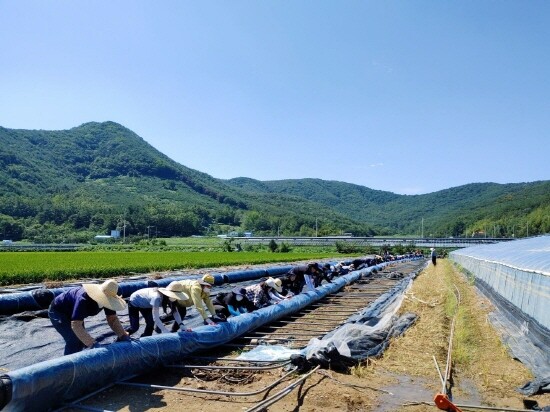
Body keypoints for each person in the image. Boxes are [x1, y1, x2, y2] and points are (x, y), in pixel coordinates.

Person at [48, 279, 130, 355]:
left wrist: (122, 335)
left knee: (81, 341)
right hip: (59, 312)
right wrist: (93, 344)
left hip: (74, 313)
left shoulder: (108, 299)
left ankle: (78, 362)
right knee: (74, 340)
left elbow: (112, 319)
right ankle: (68, 367)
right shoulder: (83, 299)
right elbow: (76, 325)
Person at [126, 281, 190, 337]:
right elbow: (156, 317)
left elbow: (175, 312)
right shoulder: (157, 298)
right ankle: (122, 337)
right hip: (134, 302)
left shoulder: (172, 298)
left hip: (146, 304)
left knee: (150, 324)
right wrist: (165, 331)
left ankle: (145, 340)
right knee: (135, 327)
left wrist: (182, 326)